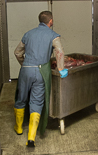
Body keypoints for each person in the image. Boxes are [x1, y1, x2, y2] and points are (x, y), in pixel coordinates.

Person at [14, 10, 68, 147]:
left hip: (25, 70)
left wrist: (24, 64)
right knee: (37, 101)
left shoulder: (28, 33)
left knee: (21, 98)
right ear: (51, 21)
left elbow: (17, 52)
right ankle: (31, 138)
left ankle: (19, 128)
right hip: (40, 71)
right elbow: (59, 52)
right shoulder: (53, 35)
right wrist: (61, 69)